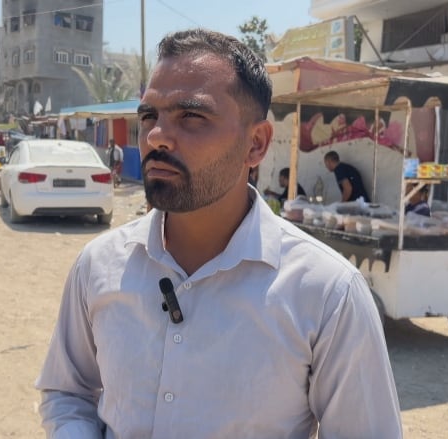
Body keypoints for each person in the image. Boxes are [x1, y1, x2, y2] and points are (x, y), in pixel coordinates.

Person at [36, 28, 401, 438]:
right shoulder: (99, 265)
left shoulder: (327, 293)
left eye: (191, 116)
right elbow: (67, 392)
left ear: (256, 144)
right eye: (148, 116)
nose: (156, 135)